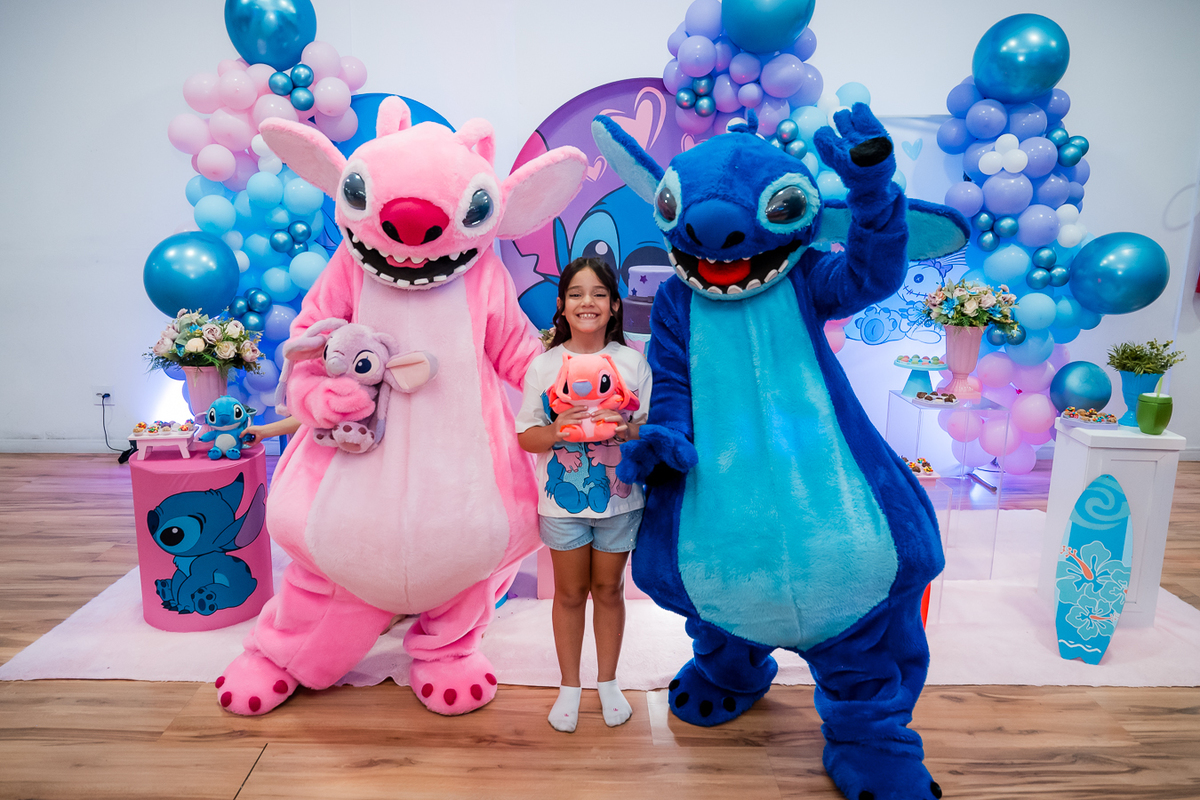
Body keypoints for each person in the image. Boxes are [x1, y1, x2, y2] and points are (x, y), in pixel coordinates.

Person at [515, 257, 652, 733]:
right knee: (570, 593)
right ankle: (569, 687)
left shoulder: (633, 363)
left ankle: (608, 683)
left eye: (598, 293)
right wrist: (558, 430)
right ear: (561, 305)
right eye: (576, 294)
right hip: (561, 504)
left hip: (621, 501)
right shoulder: (544, 366)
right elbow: (526, 436)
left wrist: (624, 429)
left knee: (610, 590)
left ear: (614, 305)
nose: (586, 302)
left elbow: (650, 429)